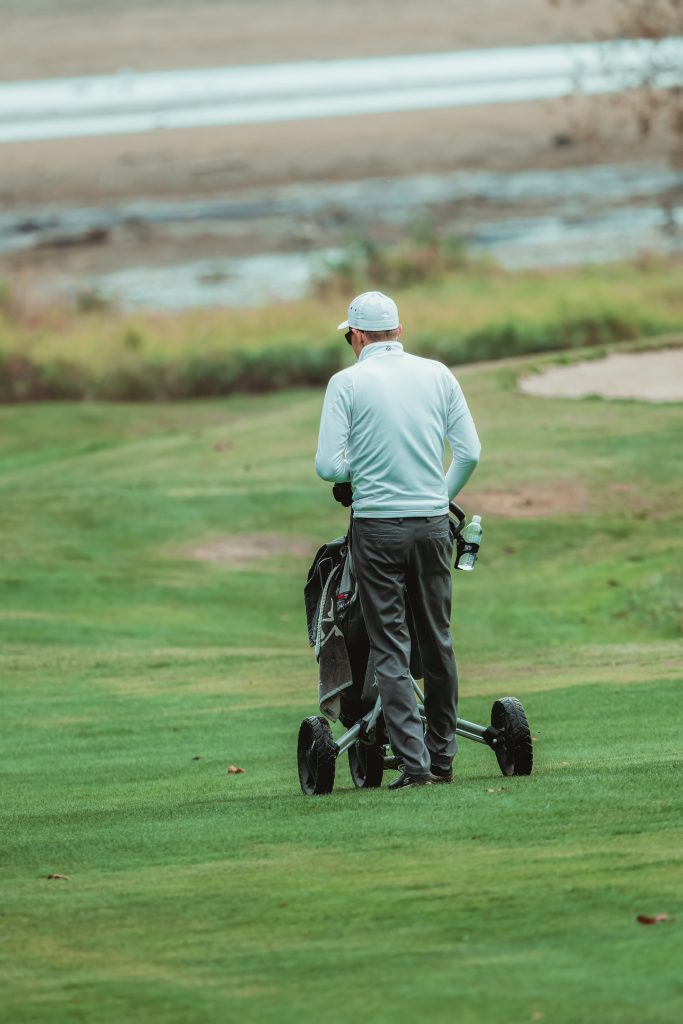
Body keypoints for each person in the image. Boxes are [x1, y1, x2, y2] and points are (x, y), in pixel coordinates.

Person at [315, 290, 481, 789]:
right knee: (438, 641)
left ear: (359, 336)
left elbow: (328, 466)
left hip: (377, 528)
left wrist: (359, 471)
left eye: (350, 336)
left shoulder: (346, 382)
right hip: (432, 526)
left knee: (390, 644)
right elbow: (470, 452)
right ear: (399, 332)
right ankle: (444, 759)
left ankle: (415, 768)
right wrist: (436, 496)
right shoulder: (439, 374)